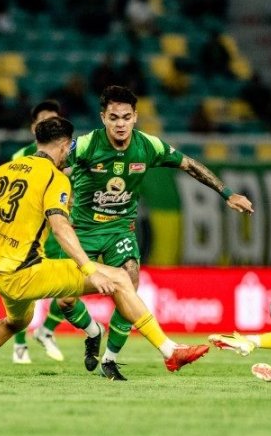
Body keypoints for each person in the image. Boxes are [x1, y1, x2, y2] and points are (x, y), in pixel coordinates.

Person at [0, 116, 209, 386]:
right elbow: (61, 227)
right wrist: (90, 269)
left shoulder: (7, 169)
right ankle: (170, 351)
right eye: (70, 148)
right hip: (25, 273)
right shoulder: (54, 177)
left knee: (15, 322)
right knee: (121, 279)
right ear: (65, 146)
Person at [52, 85, 255, 381]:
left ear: (135, 117)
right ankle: (93, 332)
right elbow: (52, 165)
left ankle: (110, 359)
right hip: (81, 230)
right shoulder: (85, 146)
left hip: (120, 229)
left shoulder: (148, 146)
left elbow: (189, 165)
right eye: (113, 118)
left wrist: (227, 193)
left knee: (130, 281)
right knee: (65, 301)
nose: (120, 124)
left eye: (125, 117)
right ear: (103, 118)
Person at [6, 99, 68, 365]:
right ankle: (20, 344)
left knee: (68, 289)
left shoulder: (71, 152)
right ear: (34, 127)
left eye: (54, 121)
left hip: (61, 229)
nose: (49, 126)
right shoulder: (20, 158)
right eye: (44, 122)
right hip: (32, 232)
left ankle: (47, 330)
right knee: (26, 288)